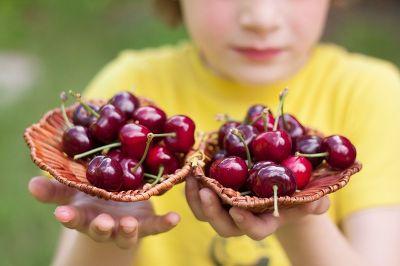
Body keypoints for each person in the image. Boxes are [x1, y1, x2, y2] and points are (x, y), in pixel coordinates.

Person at [28, 0, 400, 265]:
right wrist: (110, 226)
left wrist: (295, 215)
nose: (261, 17)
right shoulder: (128, 85)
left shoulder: (372, 94)